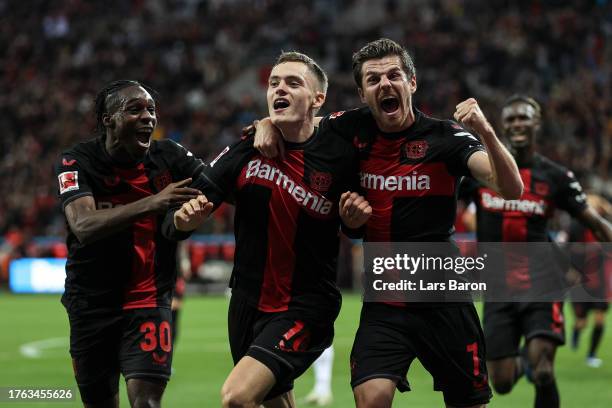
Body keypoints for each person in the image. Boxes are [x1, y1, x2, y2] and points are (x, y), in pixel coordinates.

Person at [254, 38, 523, 408]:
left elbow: (511, 187)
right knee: (371, 398)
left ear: (411, 83)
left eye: (394, 75)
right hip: (385, 302)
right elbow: (297, 121)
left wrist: (486, 131)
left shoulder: (446, 138)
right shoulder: (349, 128)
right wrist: (267, 123)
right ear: (363, 93)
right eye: (373, 79)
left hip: (443, 299)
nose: (385, 84)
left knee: (469, 403)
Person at [167, 52, 371, 408]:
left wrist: (356, 221)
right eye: (274, 83)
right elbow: (186, 211)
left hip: (305, 305)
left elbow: (361, 221)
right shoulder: (248, 148)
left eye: (294, 83)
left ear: (318, 99)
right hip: (246, 302)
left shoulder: (340, 153)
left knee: (237, 396)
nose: (280, 89)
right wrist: (183, 221)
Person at [55, 79, 212, 408]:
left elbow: (218, 179)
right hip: (90, 306)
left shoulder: (168, 155)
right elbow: (83, 224)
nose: (148, 117)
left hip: (148, 300)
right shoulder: (77, 161)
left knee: (146, 403)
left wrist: (251, 141)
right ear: (107, 120)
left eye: (152, 110)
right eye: (135, 109)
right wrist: (154, 202)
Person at [460, 95, 612, 408]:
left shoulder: (555, 176)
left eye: (524, 118)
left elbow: (595, 224)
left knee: (543, 371)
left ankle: (536, 365)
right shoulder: (479, 173)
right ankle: (523, 364)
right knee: (500, 382)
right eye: (512, 119)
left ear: (537, 124)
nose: (517, 124)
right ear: (502, 125)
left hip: (542, 285)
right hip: (499, 290)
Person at [569, 193, 612, 368]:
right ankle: (576, 332)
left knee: (600, 319)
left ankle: (592, 354)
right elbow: (568, 250)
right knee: (582, 322)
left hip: (601, 282)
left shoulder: (605, 226)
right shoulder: (577, 226)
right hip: (582, 281)